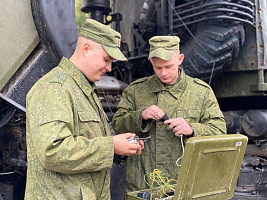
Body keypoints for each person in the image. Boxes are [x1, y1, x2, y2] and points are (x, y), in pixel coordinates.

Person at [24, 19, 144, 200]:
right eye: (106, 59)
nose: (110, 68)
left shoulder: (84, 89)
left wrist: (121, 148)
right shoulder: (55, 87)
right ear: (86, 49)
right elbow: (52, 151)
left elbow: (89, 143)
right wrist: (111, 146)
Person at [111, 36, 227, 194]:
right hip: (143, 186)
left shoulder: (201, 92)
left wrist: (192, 129)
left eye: (168, 66)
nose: (163, 73)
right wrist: (141, 116)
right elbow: (117, 125)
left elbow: (219, 131)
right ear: (151, 62)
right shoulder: (135, 91)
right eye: (158, 68)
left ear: (180, 59)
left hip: (185, 185)